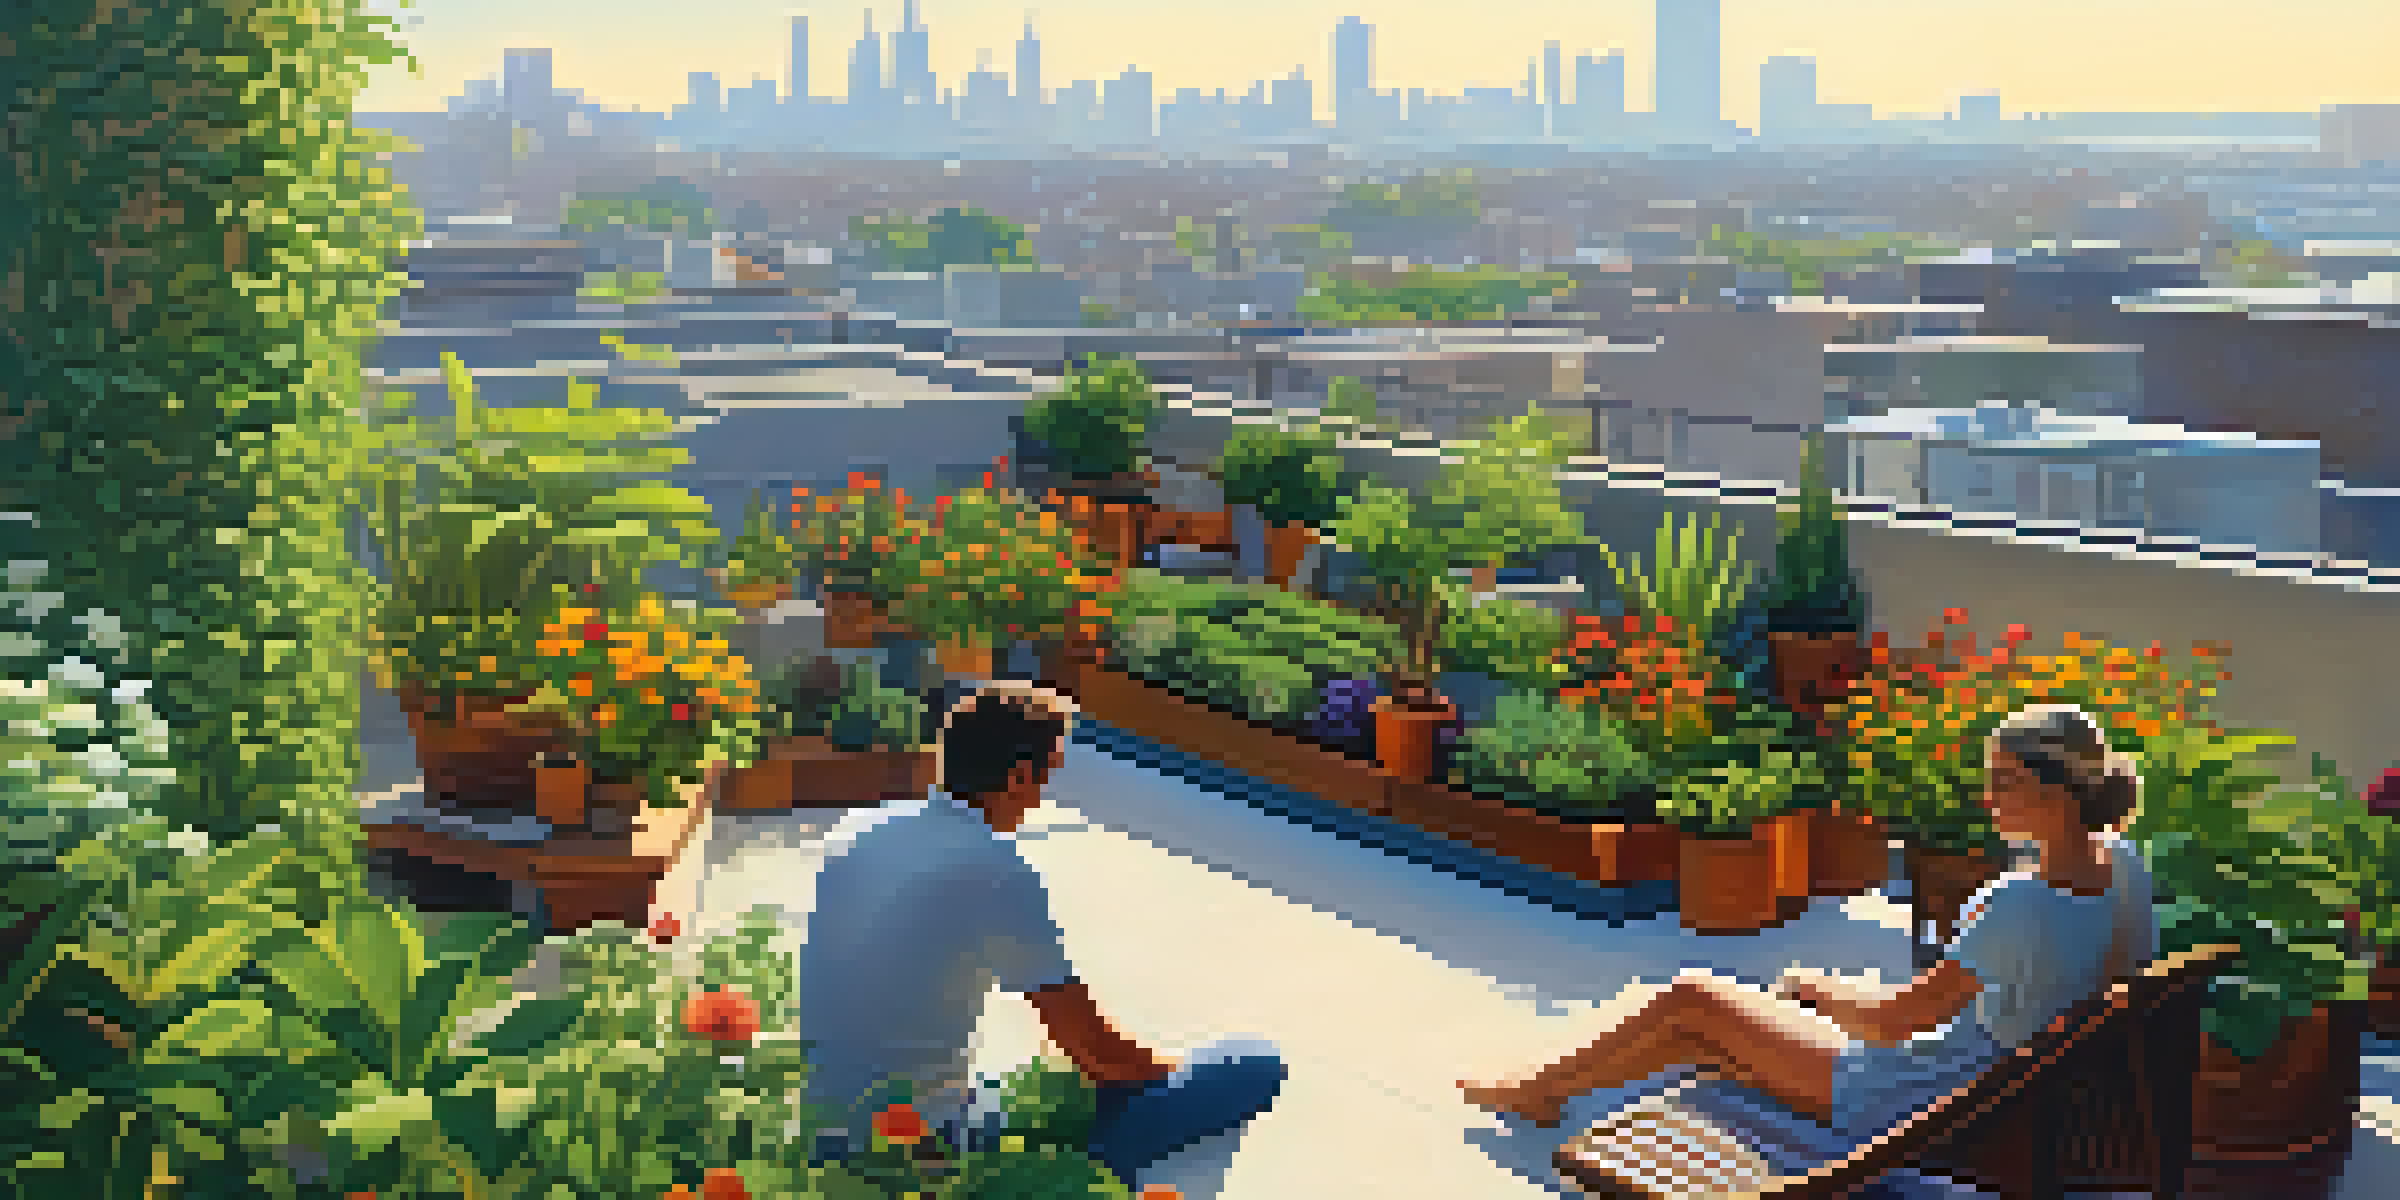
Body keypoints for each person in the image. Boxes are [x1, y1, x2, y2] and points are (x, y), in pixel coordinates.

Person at [1460, 703, 2160, 1140]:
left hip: (1925, 1098)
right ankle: (1549, 1092)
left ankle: (1540, 1090)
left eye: (2003, 781)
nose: (1988, 796)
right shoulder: (2124, 867)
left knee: (1693, 999)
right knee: (1699, 1034)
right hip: (2010, 1090)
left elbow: (1892, 1024)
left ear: (2054, 790)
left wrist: (1819, 992)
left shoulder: (2020, 901)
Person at [797, 680, 1287, 1185]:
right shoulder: (993, 869)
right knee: (1251, 1064)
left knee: (1029, 1081)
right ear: (1017, 777)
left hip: (824, 1128)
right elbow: (1096, 1053)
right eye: (1048, 774)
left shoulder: (858, 829)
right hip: (919, 1145)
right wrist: (1170, 1078)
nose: (1044, 794)